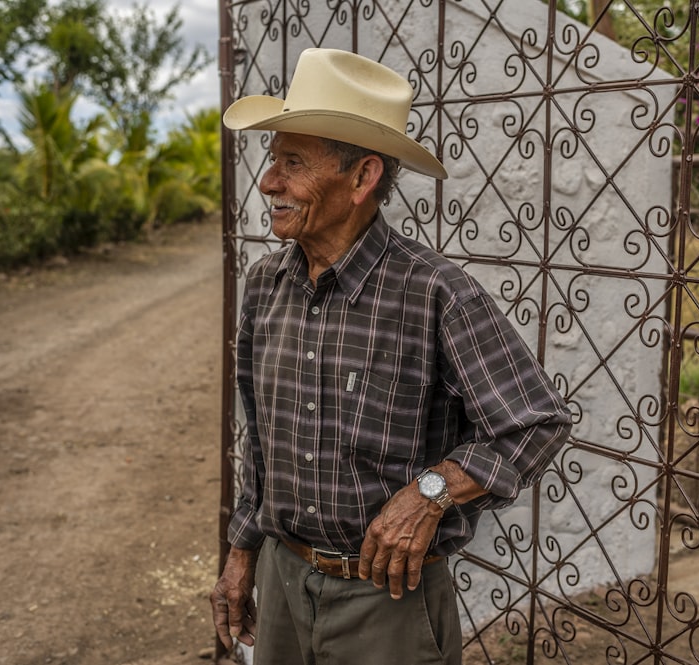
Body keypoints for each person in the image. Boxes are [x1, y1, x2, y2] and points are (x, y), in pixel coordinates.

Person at [210, 48, 572, 665]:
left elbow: (536, 423)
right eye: (274, 161)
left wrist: (430, 492)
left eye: (292, 163)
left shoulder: (433, 291)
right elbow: (260, 440)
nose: (270, 182)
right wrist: (242, 552)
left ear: (362, 177)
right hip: (282, 581)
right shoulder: (266, 284)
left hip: (388, 602)